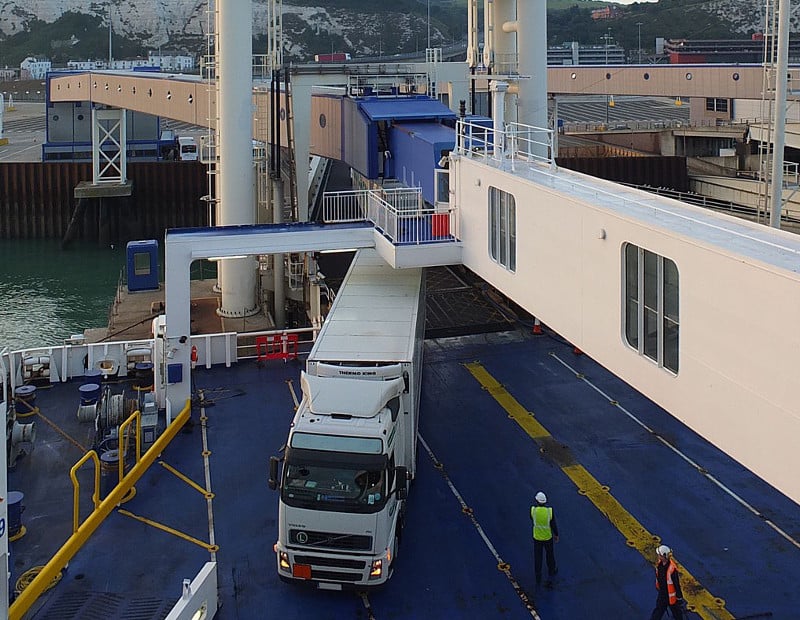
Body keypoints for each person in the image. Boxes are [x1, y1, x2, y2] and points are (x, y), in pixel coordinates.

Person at [530, 491, 559, 586]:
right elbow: (553, 524)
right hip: (547, 538)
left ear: (537, 501)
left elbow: (531, 519)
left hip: (537, 538)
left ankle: (538, 575)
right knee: (550, 555)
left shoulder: (533, 510)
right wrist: (556, 534)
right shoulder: (549, 511)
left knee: (538, 557)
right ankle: (552, 570)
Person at [649, 545, 685, 620]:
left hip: (670, 597)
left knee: (676, 613)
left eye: (659, 554)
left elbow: (676, 584)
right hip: (663, 594)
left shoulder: (672, 569)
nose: (658, 555)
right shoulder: (659, 565)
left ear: (663, 556)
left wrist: (679, 597)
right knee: (658, 612)